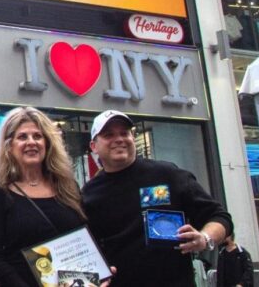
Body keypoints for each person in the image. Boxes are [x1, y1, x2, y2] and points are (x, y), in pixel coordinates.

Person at [83, 110, 233, 287]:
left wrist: (205, 239)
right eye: (109, 135)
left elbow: (220, 217)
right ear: (94, 146)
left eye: (125, 133)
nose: (119, 139)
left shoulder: (167, 174)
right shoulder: (89, 194)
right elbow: (86, 250)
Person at [0, 107, 88, 287]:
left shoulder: (68, 187)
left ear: (47, 143)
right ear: (9, 145)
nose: (31, 142)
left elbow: (83, 240)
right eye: (22, 137)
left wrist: (98, 274)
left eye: (37, 136)